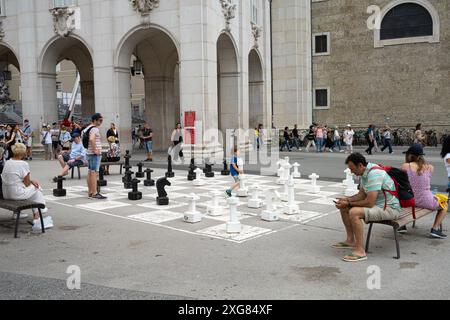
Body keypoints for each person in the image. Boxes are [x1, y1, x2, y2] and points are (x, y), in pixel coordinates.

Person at [334, 153, 401, 262]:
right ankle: (350, 240)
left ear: (360, 165)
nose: (351, 172)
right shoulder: (365, 173)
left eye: (352, 168)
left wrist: (349, 204)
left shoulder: (374, 174)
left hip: (390, 209)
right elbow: (361, 195)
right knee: (344, 207)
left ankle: (360, 251)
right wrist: (346, 200)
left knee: (354, 212)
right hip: (379, 205)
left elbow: (369, 202)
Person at [1, 143, 53, 231]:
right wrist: (32, 182)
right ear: (23, 153)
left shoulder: (8, 162)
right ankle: (39, 214)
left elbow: (16, 178)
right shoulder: (23, 164)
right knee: (36, 188)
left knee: (34, 188)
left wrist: (31, 181)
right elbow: (27, 184)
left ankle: (36, 211)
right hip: (16, 193)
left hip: (6, 193)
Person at [400, 144, 448, 239]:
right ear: (421, 156)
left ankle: (402, 226)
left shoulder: (405, 166)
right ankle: (435, 229)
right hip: (427, 201)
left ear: (409, 155)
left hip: (410, 200)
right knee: (444, 205)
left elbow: (402, 184)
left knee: (400, 196)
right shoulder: (430, 167)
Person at [84, 113, 107, 200]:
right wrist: (95, 150)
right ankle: (94, 192)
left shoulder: (87, 128)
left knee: (90, 172)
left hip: (89, 153)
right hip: (94, 154)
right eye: (100, 120)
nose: (101, 122)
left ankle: (90, 191)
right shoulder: (94, 129)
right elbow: (91, 139)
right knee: (94, 173)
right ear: (95, 120)